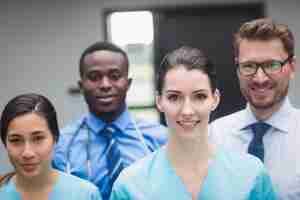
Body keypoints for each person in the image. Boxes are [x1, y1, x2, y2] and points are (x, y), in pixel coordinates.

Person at [110, 46, 277, 200]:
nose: (187, 111)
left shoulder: (251, 175)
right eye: (174, 97)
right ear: (159, 101)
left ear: (215, 99)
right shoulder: (131, 184)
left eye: (199, 96)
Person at [52, 41, 167, 199]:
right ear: (81, 86)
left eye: (114, 76)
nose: (105, 85)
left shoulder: (161, 139)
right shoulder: (62, 145)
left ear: (128, 83)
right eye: (94, 77)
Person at [209, 18, 299, 200]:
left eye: (271, 65)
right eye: (249, 66)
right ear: (237, 68)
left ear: (292, 67)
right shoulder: (214, 135)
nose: (260, 78)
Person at [0, 93, 102, 200]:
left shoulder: (85, 195)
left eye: (38, 138)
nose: (27, 153)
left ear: (55, 138)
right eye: (16, 140)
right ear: (5, 142)